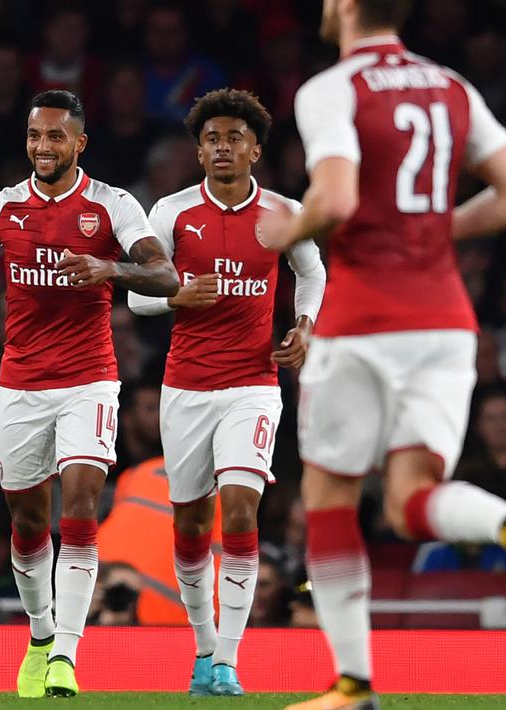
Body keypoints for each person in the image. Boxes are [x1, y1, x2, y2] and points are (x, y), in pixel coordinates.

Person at [258, 2, 506, 708]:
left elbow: (336, 197)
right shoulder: (452, 86)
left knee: (329, 496)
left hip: (363, 321)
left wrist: (286, 228)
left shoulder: (331, 88)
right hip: (444, 322)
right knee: (410, 501)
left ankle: (352, 685)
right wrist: (431, 232)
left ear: (344, 5)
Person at [0, 89, 178, 697]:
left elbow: (165, 274)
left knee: (78, 506)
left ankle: (67, 659)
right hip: (20, 385)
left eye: (55, 136)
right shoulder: (4, 208)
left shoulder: (113, 205)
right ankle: (41, 634)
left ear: (80, 142)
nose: (42, 147)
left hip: (90, 379)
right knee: (27, 523)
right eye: (34, 136)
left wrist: (112, 269)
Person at [127, 88, 326, 697]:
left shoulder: (281, 212)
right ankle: (204, 647)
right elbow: (135, 294)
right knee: (190, 528)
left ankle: (229, 661)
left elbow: (312, 272)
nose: (221, 147)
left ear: (255, 149)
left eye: (233, 138)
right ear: (198, 150)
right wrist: (175, 295)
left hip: (253, 385)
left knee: (239, 510)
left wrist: (306, 326)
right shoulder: (170, 213)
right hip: (185, 387)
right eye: (211, 139)